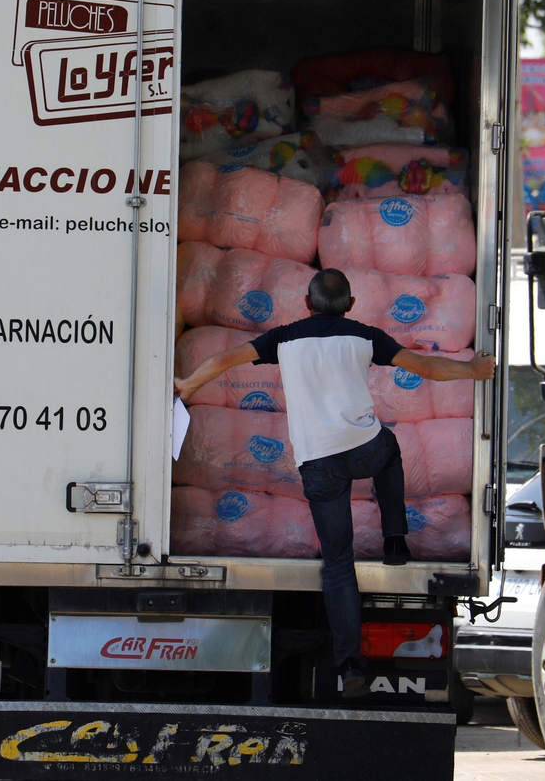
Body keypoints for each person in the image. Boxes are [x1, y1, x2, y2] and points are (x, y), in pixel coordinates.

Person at [174, 268, 495, 697]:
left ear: (307, 304)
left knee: (339, 564)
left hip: (318, 462)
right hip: (363, 447)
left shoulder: (284, 338)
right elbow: (425, 367)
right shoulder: (364, 336)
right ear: (350, 305)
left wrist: (186, 384)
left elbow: (222, 361)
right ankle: (395, 540)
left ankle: (349, 667)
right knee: (391, 452)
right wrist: (474, 370)